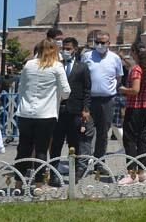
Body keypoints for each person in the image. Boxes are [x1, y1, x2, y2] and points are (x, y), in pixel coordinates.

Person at [14, 39, 70, 189]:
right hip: (46, 114)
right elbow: (66, 92)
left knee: (23, 149)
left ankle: (18, 184)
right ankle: (39, 185)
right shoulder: (57, 66)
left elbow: (20, 88)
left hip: (25, 112)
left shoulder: (28, 65)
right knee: (41, 150)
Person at [49, 37, 92, 186]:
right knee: (56, 144)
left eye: (68, 49)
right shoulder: (56, 65)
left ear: (75, 49)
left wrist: (86, 109)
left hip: (75, 110)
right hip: (58, 110)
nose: (65, 51)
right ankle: (53, 174)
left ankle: (75, 173)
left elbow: (87, 90)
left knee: (75, 144)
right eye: (63, 49)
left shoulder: (82, 67)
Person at [81, 32, 123, 170]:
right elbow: (80, 74)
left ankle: (99, 163)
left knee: (103, 133)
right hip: (90, 100)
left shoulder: (115, 58)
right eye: (97, 42)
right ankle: (84, 164)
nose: (99, 45)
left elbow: (118, 78)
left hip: (108, 101)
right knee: (87, 131)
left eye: (103, 42)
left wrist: (110, 90)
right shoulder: (87, 56)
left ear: (108, 44)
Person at [117, 43, 146, 185]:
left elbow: (135, 90)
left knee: (130, 139)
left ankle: (131, 174)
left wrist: (122, 89)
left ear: (134, 52)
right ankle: (142, 172)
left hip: (135, 107)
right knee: (141, 138)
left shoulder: (136, 69)